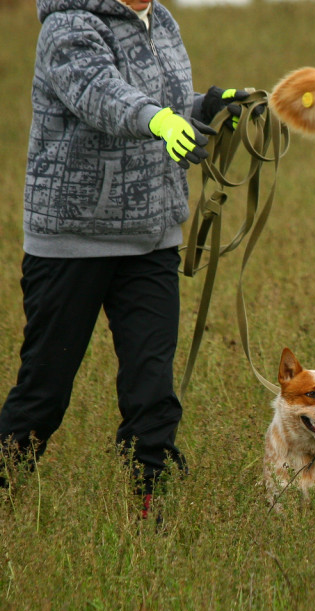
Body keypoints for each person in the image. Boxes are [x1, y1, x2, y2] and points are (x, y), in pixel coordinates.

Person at [0, 0, 249, 512]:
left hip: (151, 239)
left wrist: (205, 107)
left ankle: (150, 513)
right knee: (43, 395)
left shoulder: (159, 20)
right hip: (73, 241)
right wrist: (159, 120)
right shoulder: (68, 25)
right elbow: (102, 96)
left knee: (153, 393)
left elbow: (164, 101)